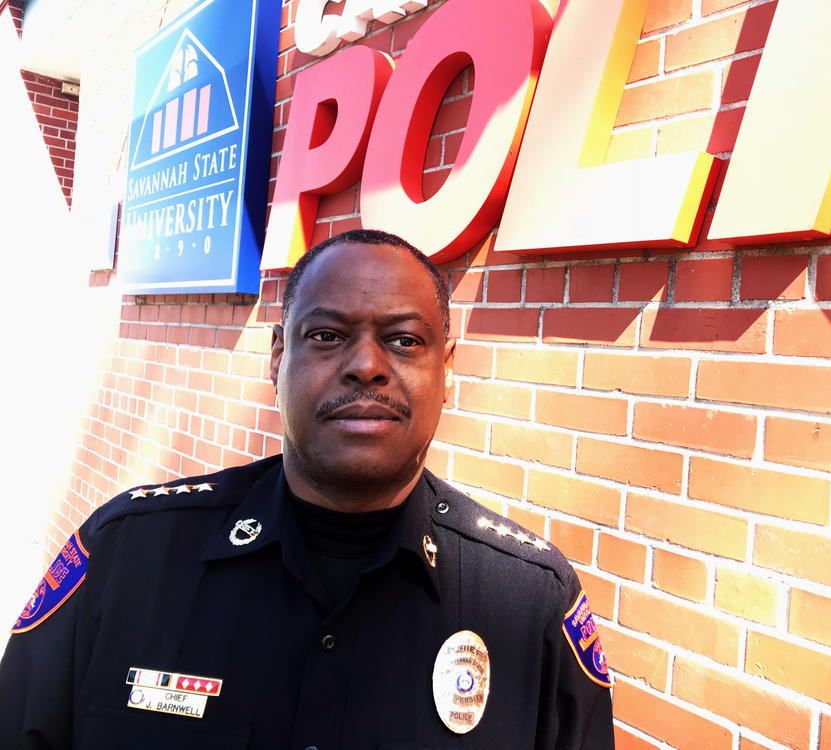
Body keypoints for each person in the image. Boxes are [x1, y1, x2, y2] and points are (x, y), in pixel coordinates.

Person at [0, 229, 615, 749]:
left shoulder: (531, 603)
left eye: (404, 340)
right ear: (276, 355)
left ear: (446, 371)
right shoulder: (126, 555)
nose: (367, 365)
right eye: (327, 335)